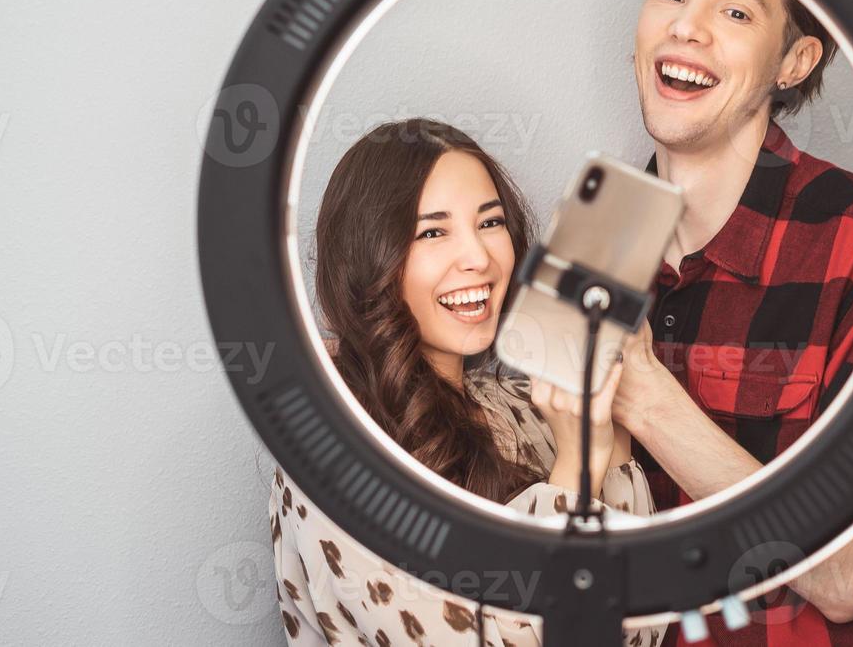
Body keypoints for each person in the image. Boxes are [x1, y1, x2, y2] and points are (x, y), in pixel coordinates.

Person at [612, 0, 853, 646]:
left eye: (736, 13)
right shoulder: (600, 233)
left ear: (795, 61)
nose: (687, 25)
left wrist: (649, 404)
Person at [270, 119, 663, 647]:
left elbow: (645, 619)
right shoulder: (333, 453)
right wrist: (575, 464)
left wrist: (605, 417)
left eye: (490, 222)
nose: (478, 257)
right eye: (433, 231)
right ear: (370, 257)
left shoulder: (520, 404)